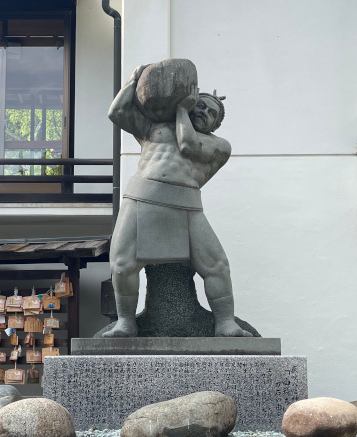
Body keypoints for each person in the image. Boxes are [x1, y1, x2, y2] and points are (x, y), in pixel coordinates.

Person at [103, 62, 251, 338]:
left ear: (216, 124)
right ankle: (125, 322)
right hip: (142, 197)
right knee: (122, 264)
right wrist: (134, 79)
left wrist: (182, 108)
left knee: (216, 264)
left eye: (211, 113)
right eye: (201, 106)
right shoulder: (154, 128)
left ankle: (226, 323)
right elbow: (117, 112)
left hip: (186, 203)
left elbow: (188, 144)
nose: (204, 113)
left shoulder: (218, 146)